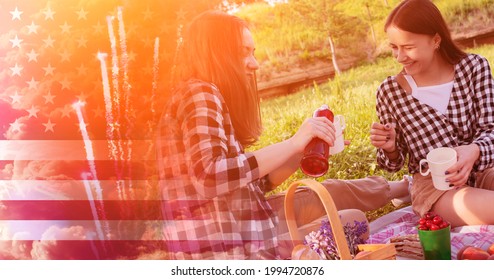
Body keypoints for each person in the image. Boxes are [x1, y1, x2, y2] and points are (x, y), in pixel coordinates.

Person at [156, 10, 410, 260]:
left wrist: (301, 150)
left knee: (329, 192)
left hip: (245, 223)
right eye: (244, 52)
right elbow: (209, 177)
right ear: (217, 51)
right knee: (354, 221)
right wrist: (293, 142)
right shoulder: (200, 94)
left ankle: (404, 188)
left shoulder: (202, 94)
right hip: (232, 250)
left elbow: (255, 185)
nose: (254, 64)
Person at [370, 0, 494, 228]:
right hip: (435, 187)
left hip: (486, 169)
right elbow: (392, 165)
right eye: (394, 47)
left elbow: (491, 129)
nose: (399, 57)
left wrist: (475, 150)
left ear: (436, 40)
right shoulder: (390, 92)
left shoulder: (475, 68)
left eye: (408, 47)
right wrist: (390, 148)